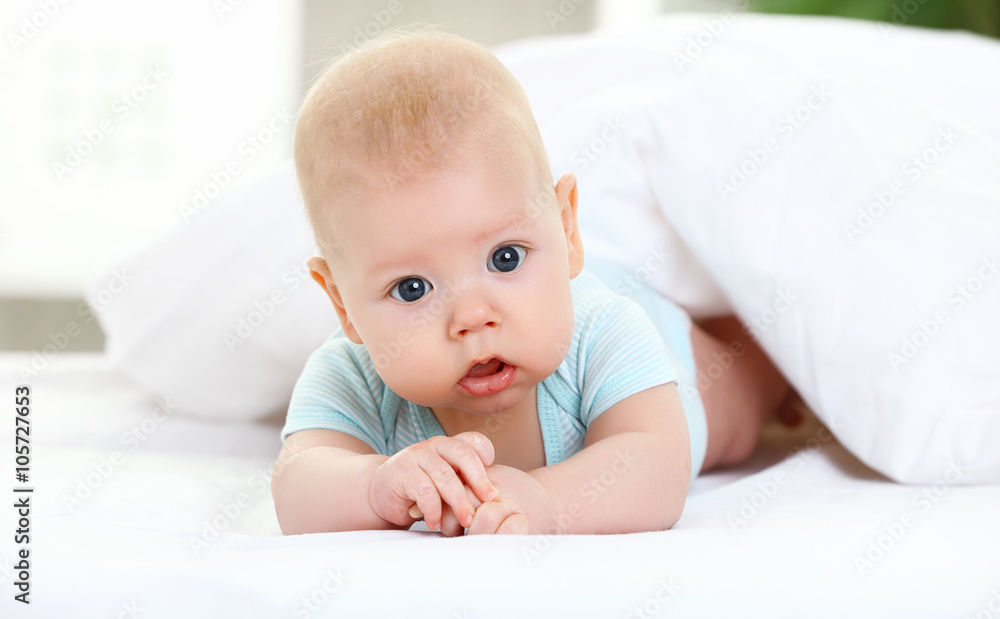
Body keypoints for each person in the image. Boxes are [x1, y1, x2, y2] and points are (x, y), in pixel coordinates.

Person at [271, 25, 793, 537]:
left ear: (566, 230)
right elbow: (296, 486)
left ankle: (770, 365)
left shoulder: (604, 333)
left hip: (653, 336)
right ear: (342, 305)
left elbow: (658, 467)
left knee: (740, 399)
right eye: (413, 288)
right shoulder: (352, 375)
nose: (473, 317)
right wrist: (370, 485)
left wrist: (545, 500)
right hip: (543, 297)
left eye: (504, 257)